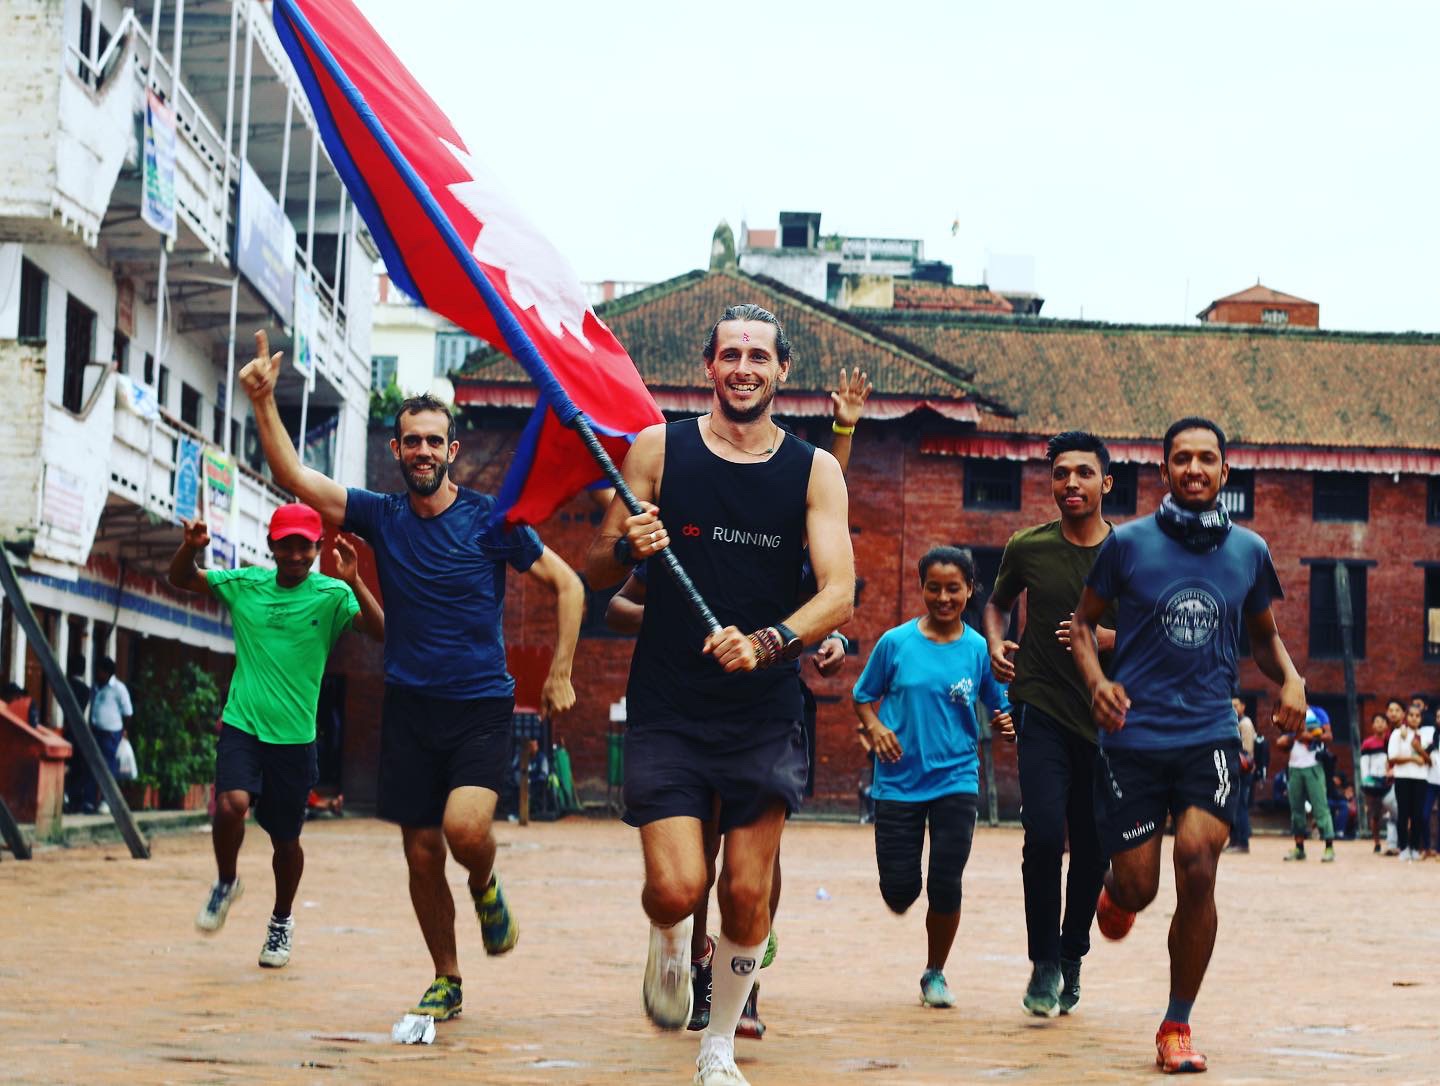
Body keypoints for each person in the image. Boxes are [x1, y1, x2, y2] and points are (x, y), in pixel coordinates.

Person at [239, 330, 584, 1019]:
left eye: (434, 440)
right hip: (409, 709)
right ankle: (447, 977)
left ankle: (485, 884)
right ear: (395, 450)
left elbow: (569, 584)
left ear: (452, 449)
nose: (423, 451)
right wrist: (262, 401)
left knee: (462, 830)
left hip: (480, 704)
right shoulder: (381, 515)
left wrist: (560, 674)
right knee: (423, 855)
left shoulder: (493, 521)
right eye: (411, 441)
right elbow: (296, 480)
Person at [584, 303, 854, 1086]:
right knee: (677, 886)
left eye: (758, 357)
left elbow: (838, 592)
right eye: (730, 354)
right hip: (670, 703)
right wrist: (625, 542)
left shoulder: (814, 470)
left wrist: (769, 641)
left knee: (744, 893)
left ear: (781, 372)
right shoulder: (657, 450)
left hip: (763, 711)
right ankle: (670, 939)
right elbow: (598, 573)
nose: (744, 368)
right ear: (710, 365)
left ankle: (719, 1045)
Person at [1070, 416, 1305, 1075]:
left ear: (1225, 474)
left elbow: (1262, 635)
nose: (1195, 469)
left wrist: (1290, 677)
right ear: (1164, 470)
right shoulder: (1129, 546)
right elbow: (1082, 625)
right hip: (1133, 737)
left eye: (1207, 459)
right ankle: (1118, 896)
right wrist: (1095, 683)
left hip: (1209, 733)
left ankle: (1176, 1023)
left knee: (1199, 861)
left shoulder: (1249, 552)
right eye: (1182, 459)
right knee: (1141, 889)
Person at [168, 506, 383, 967]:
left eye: (304, 545)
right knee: (231, 804)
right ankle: (226, 882)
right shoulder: (245, 586)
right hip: (244, 724)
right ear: (271, 545)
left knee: (285, 841)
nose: (294, 554)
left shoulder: (332, 595)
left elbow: (381, 630)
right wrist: (190, 547)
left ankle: (281, 921)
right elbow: (182, 579)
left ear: (318, 548)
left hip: (295, 739)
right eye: (286, 544)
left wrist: (356, 580)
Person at [982, 430, 1115, 1017]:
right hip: (1039, 704)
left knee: (1092, 849)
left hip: (1107, 718)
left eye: (1084, 473)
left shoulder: (1129, 552)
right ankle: (1042, 962)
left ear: (1105, 483)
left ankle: (1072, 954)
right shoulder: (1028, 546)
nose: (1071, 484)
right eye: (1061, 473)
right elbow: (995, 603)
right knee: (1042, 835)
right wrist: (994, 641)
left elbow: (1158, 622)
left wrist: (1110, 638)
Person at [856, 545, 1013, 1010]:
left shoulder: (978, 649)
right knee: (900, 892)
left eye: (953, 589)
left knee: (946, 881)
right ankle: (903, 890)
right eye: (933, 588)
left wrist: (1006, 721)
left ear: (969, 591)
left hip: (957, 780)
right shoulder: (895, 644)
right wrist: (876, 727)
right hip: (898, 782)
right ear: (921, 587)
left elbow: (999, 703)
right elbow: (863, 697)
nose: (943, 598)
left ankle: (935, 972)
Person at [1276, 707, 1336, 862]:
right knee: (1296, 809)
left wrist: (1310, 736)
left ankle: (1329, 847)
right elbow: (1281, 743)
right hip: (1294, 767)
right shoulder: (1288, 715)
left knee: (1320, 807)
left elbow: (1329, 736)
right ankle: (1299, 848)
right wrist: (1296, 737)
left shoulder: (1318, 713)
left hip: (1313, 765)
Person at [84, 656, 134, 814]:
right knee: (93, 765)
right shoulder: (96, 687)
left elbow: (128, 712)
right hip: (95, 731)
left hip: (111, 733)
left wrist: (122, 731)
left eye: (99, 670)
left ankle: (107, 801)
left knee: (108, 766)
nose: (96, 673)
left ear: (106, 672)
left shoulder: (119, 689)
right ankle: (91, 800)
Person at [1387, 702, 1428, 861]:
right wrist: (1412, 758)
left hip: (1421, 778)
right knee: (1403, 814)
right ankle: (1403, 847)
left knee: (1417, 815)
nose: (1414, 718)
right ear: (1406, 716)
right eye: (1411, 715)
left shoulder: (1425, 735)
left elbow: (1429, 759)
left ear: (1421, 718)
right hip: (1403, 777)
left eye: (1417, 716)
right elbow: (1392, 757)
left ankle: (1415, 848)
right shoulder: (1398, 734)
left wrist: (1420, 751)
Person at [1357, 712, 1392, 853]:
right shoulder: (1367, 743)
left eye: (1383, 721)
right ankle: (1377, 841)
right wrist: (1365, 779)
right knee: (1375, 813)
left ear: (1387, 725)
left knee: (1392, 811)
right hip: (1372, 781)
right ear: (1372, 726)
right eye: (1377, 721)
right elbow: (1364, 762)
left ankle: (1392, 840)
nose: (1380, 724)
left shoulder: (1391, 740)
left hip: (1388, 780)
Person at [1225, 697, 1256, 854]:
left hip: (1242, 770)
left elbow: (1247, 750)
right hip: (1233, 769)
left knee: (1240, 807)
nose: (1234, 708)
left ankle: (1242, 842)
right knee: (1233, 806)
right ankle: (1234, 840)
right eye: (1231, 706)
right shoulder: (1233, 722)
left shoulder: (1245, 724)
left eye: (1236, 705)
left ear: (1243, 706)